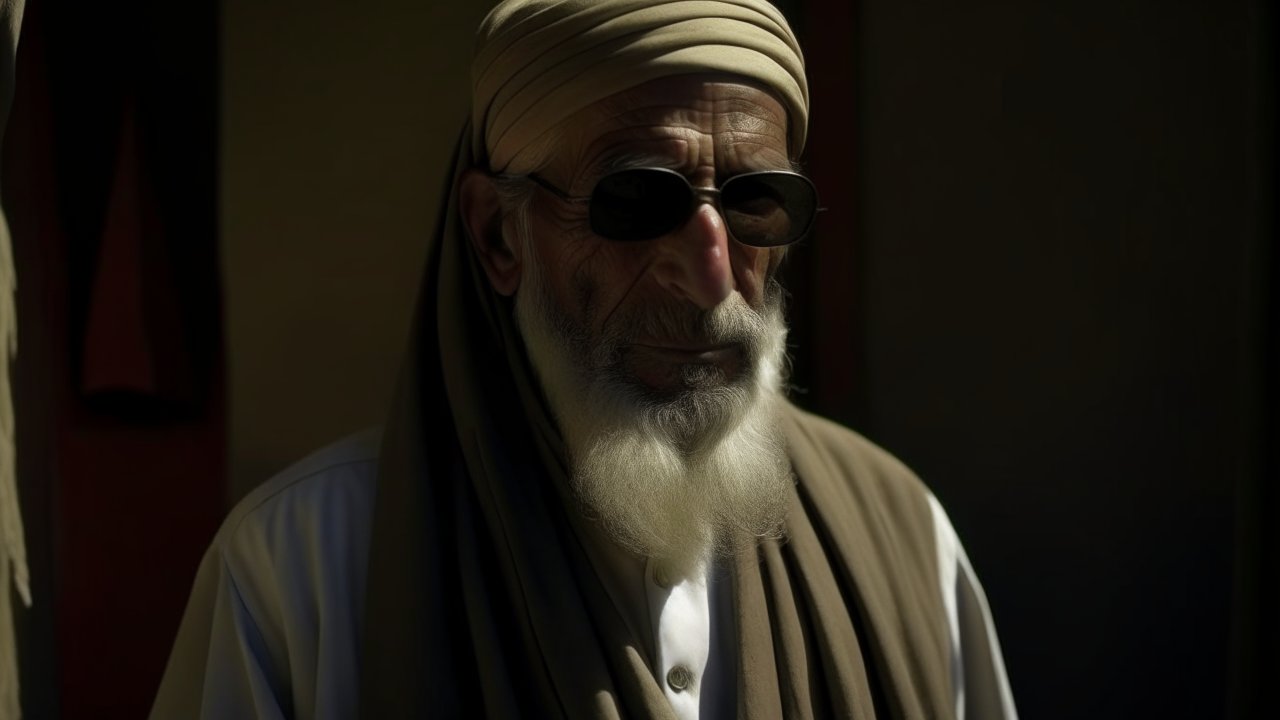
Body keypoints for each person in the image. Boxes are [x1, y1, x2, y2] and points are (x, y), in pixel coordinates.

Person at [152, 1, 1017, 718]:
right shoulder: (302, 571)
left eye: (756, 199)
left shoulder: (904, 540)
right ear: (499, 235)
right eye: (637, 198)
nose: (712, 275)